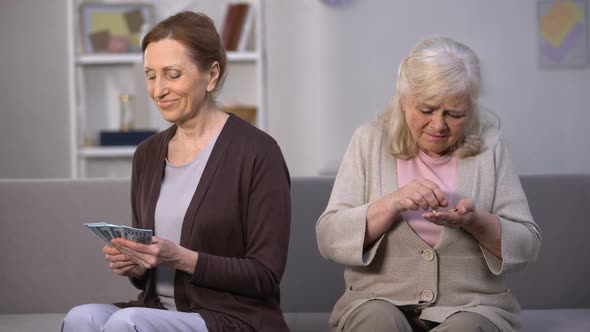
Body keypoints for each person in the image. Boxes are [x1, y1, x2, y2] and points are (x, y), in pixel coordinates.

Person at [63, 11, 291, 332]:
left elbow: (265, 276)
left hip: (233, 316)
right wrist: (134, 264)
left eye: (172, 74)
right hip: (156, 309)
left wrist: (182, 258)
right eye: (150, 75)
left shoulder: (258, 153)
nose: (158, 90)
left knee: (127, 322)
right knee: (81, 317)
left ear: (211, 75)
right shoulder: (147, 154)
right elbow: (146, 281)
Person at [316, 36, 541, 332]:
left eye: (454, 114)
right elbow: (328, 237)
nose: (439, 125)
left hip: (474, 309)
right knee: (376, 322)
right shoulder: (369, 140)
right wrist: (391, 203)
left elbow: (528, 246)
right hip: (375, 301)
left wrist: (475, 222)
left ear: (471, 107)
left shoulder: (491, 146)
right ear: (403, 99)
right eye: (426, 110)